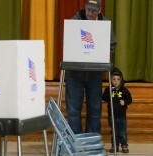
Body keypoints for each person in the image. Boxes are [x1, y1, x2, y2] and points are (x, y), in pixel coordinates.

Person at [65, 0, 117, 134]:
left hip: (95, 73)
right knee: (73, 110)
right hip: (74, 72)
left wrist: (102, 55)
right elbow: (67, 43)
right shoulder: (74, 22)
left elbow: (112, 45)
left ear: (99, 10)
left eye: (93, 11)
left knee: (94, 109)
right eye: (88, 10)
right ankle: (76, 143)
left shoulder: (105, 24)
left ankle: (92, 142)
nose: (89, 13)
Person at [102, 68, 132, 153]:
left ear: (121, 80)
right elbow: (104, 98)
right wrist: (109, 92)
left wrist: (125, 102)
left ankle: (124, 146)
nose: (116, 81)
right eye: (114, 79)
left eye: (118, 79)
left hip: (122, 116)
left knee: (122, 132)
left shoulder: (124, 90)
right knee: (114, 132)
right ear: (110, 80)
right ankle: (114, 146)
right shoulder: (108, 89)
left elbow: (130, 99)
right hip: (112, 115)